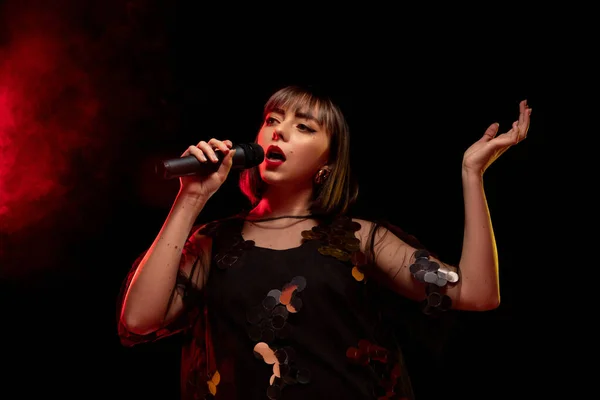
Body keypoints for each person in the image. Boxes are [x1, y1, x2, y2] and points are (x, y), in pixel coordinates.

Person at [117, 84, 532, 399]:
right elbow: (138, 320)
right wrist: (191, 197)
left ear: (327, 162)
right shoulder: (212, 242)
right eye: (272, 120)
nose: (279, 133)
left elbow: (476, 293)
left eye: (303, 127)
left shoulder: (360, 239)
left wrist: (471, 173)